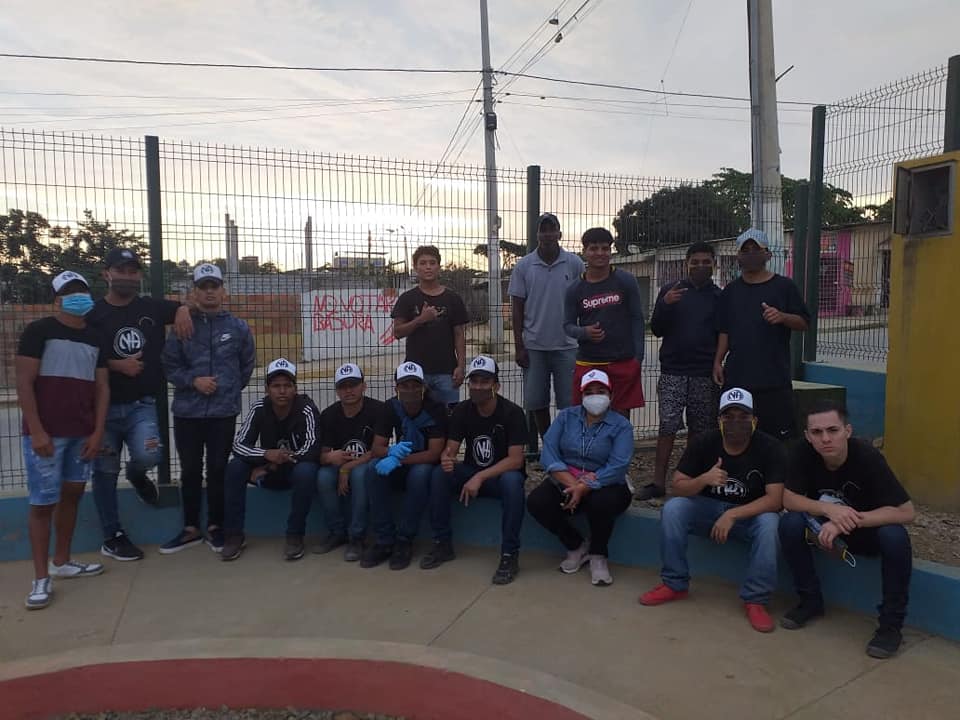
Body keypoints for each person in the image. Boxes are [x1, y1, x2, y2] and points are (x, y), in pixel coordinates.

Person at [639, 388, 785, 633]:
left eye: (743, 416)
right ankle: (674, 583)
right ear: (719, 420)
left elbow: (775, 500)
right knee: (674, 509)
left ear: (754, 420)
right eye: (729, 416)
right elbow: (678, 486)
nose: (736, 422)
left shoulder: (770, 447)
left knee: (770, 524)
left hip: (749, 516)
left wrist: (732, 514)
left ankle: (756, 599)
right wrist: (703, 479)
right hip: (708, 510)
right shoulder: (705, 442)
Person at [779, 401, 915, 658]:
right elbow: (788, 499)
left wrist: (850, 519)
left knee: (895, 536)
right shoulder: (802, 452)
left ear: (847, 431)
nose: (825, 439)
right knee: (790, 523)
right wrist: (829, 510)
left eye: (833, 430)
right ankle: (810, 601)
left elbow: (906, 511)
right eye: (817, 432)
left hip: (865, 530)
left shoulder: (868, 457)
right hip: (824, 529)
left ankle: (891, 626)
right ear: (807, 436)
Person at [86, 247, 194, 562]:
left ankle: (136, 476)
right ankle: (113, 536)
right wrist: (116, 365)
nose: (127, 276)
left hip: (141, 406)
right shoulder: (93, 314)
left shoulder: (150, 307)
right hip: (103, 408)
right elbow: (82, 355)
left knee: (150, 454)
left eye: (133, 271)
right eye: (121, 270)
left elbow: (185, 305)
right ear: (106, 274)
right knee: (105, 471)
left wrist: (182, 310)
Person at [16, 271, 109, 610]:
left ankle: (63, 561)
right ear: (57, 299)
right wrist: (37, 430)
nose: (77, 297)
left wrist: (97, 432)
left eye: (82, 290)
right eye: (69, 292)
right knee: (42, 504)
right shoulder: (38, 331)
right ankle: (41, 578)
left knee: (72, 495)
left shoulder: (95, 337)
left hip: (81, 433)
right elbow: (24, 383)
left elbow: (102, 388)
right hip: (47, 436)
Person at [159, 263, 255, 554]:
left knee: (217, 469)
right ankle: (190, 528)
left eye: (215, 286)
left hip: (223, 413)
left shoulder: (238, 328)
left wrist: (227, 390)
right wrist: (193, 381)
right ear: (195, 292)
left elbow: (247, 365)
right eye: (204, 287)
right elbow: (169, 365)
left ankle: (215, 526)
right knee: (190, 469)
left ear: (224, 291)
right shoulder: (182, 326)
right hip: (187, 412)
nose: (210, 292)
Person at [526, 369, 634, 587]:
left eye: (601, 391)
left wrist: (586, 486)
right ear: (581, 396)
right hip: (567, 479)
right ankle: (576, 545)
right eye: (589, 392)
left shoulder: (621, 426)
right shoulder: (566, 417)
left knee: (600, 503)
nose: (595, 397)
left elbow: (618, 466)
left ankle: (598, 555)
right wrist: (574, 484)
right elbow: (549, 453)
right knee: (537, 502)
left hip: (606, 484)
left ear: (611, 395)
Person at [429, 356, 528, 584]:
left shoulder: (512, 412)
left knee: (513, 482)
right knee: (439, 474)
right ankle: (442, 543)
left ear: (496, 386)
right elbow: (451, 449)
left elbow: (516, 460)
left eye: (485, 382)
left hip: (498, 477)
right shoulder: (462, 410)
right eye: (474, 382)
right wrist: (446, 459)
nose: (478, 387)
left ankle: (509, 554)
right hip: (472, 474)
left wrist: (480, 476)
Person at [638, 241, 722, 501]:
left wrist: (718, 362)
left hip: (704, 373)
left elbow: (723, 334)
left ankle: (692, 482)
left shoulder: (719, 297)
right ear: (686, 264)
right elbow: (657, 329)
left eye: (706, 262)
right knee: (668, 427)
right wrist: (665, 304)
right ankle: (658, 483)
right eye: (695, 262)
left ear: (714, 264)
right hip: (673, 370)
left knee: (700, 429)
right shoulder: (671, 291)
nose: (700, 266)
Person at [713, 228, 810, 440]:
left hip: (774, 379)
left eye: (756, 250)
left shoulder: (784, 287)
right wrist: (718, 361)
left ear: (768, 254)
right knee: (737, 436)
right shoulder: (730, 291)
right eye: (745, 250)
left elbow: (804, 322)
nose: (750, 254)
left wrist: (782, 317)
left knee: (777, 439)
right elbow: (724, 330)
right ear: (738, 256)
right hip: (738, 378)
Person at [222, 358, 322, 562]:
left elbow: (312, 448)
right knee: (235, 467)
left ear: (295, 388)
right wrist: (266, 455)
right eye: (276, 386)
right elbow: (239, 445)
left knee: (307, 471)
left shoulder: (306, 408)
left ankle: (295, 536)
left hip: (292, 471)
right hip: (268, 468)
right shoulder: (259, 407)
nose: (282, 391)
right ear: (267, 389)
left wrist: (276, 461)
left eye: (287, 385)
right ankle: (234, 535)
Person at [361, 361, 448, 570]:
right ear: (396, 388)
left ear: (423, 387)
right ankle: (384, 539)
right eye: (405, 385)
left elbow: (434, 453)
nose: (410, 390)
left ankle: (404, 540)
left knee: (419, 475)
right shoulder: (390, 407)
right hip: (402, 457)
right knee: (373, 470)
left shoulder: (436, 408)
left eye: (415, 385)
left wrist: (398, 460)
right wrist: (391, 452)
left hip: (425, 463)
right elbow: (377, 447)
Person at [508, 212, 584, 437]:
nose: (548, 234)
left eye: (552, 229)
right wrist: (519, 346)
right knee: (536, 401)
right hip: (534, 347)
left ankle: (567, 445)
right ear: (537, 234)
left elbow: (585, 300)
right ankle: (549, 442)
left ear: (560, 233)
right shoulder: (524, 266)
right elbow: (517, 308)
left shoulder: (574, 263)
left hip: (568, 346)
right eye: (544, 230)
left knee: (570, 403)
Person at [564, 227, 646, 416]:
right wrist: (584, 332)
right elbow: (567, 326)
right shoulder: (574, 289)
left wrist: (638, 358)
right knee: (587, 416)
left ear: (611, 251)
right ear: (585, 252)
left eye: (605, 248)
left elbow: (637, 319)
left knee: (620, 417)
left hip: (622, 361)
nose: (600, 253)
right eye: (593, 248)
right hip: (588, 362)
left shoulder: (626, 281)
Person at [315, 363, 384, 561]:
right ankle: (337, 532)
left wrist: (347, 467)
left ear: (364, 386)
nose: (348, 390)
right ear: (337, 391)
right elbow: (322, 454)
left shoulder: (378, 410)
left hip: (367, 464)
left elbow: (378, 450)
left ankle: (357, 536)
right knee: (323, 477)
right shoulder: (329, 415)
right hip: (339, 465)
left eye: (353, 384)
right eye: (343, 386)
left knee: (360, 475)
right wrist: (329, 458)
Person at [390, 245, 469, 406]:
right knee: (416, 416)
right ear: (415, 267)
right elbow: (397, 332)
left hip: (446, 372)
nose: (428, 267)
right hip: (415, 374)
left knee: (449, 416)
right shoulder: (407, 298)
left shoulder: (453, 298)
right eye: (423, 263)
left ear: (439, 267)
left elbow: (459, 334)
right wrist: (421, 319)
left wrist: (461, 367)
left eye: (432, 263)